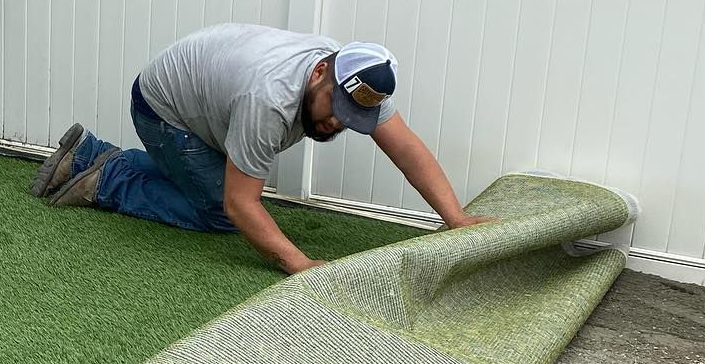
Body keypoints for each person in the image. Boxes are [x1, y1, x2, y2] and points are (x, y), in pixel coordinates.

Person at [30, 23, 490, 274]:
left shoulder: (357, 78)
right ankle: (108, 176)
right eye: (335, 108)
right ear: (318, 75)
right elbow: (240, 203)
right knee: (219, 211)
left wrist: (456, 218)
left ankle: (93, 156)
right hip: (162, 109)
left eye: (352, 120)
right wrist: (300, 262)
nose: (336, 122)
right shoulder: (270, 99)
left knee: (228, 192)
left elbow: (407, 149)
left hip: (208, 105)